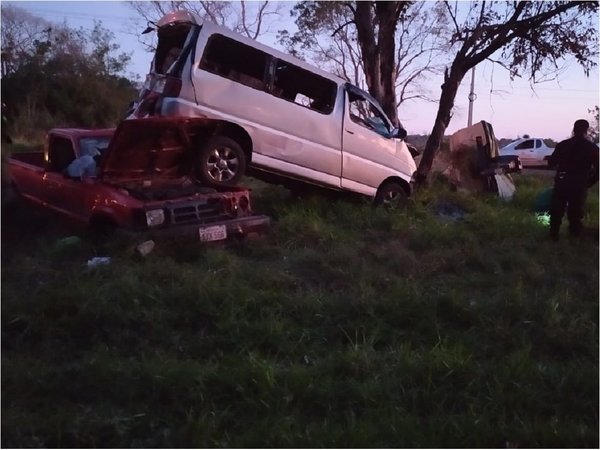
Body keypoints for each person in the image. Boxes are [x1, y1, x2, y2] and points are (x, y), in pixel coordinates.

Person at [548, 119, 599, 241]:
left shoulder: (563, 145)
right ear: (586, 131)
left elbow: (551, 162)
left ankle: (554, 235)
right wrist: (589, 183)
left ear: (574, 129)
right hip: (579, 183)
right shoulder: (591, 147)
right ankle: (574, 236)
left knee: (557, 209)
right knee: (575, 211)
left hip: (562, 180)